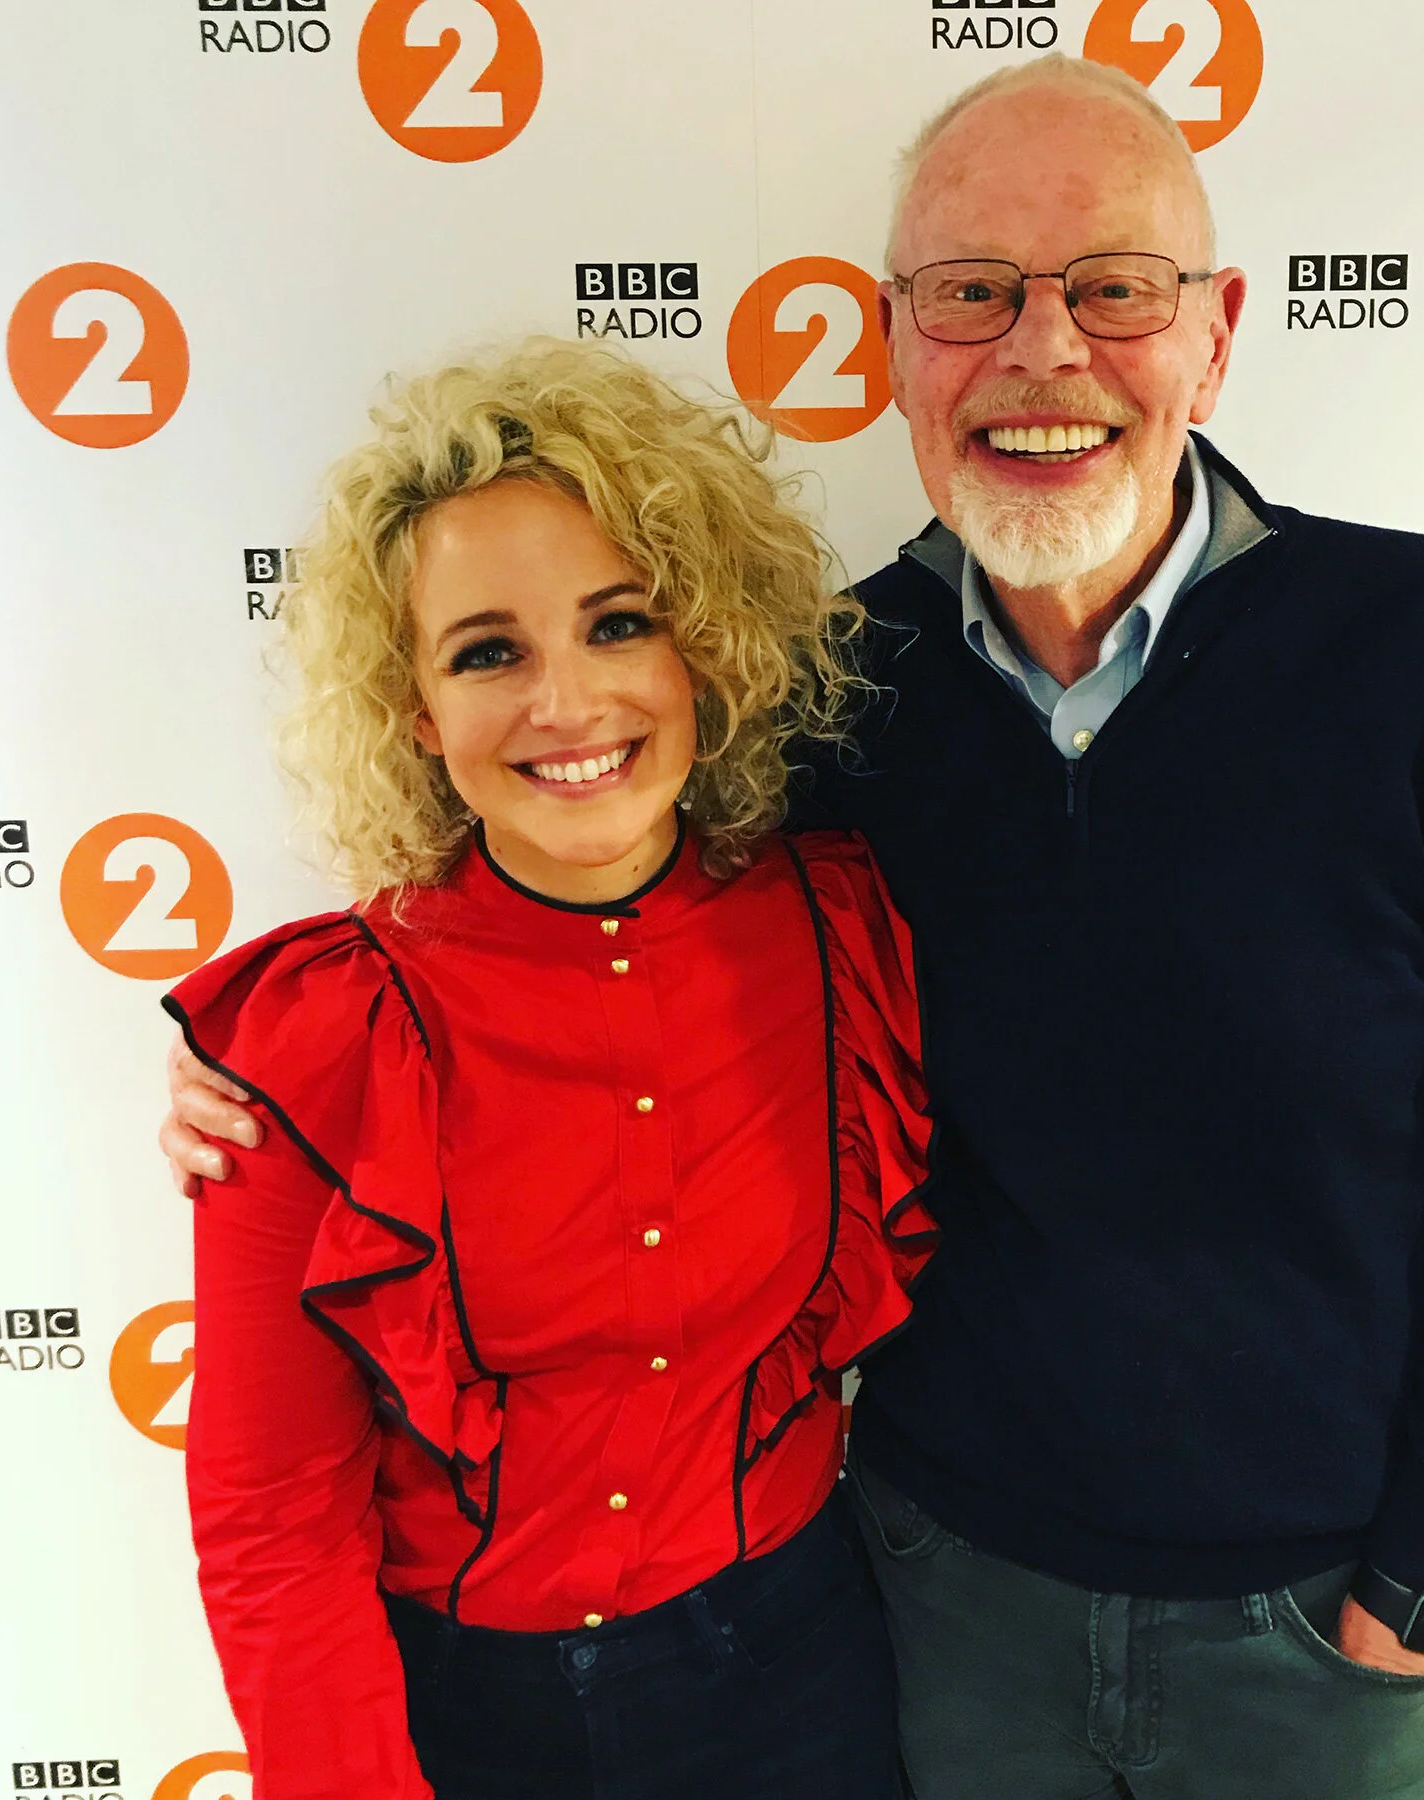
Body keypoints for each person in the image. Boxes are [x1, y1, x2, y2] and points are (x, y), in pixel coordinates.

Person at [165, 56, 1424, 1800]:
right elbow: (585, 881)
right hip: (943, 1618)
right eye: (971, 292)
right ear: (892, 343)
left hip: (1324, 1635)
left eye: (1115, 288)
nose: (1043, 348)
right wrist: (278, 1075)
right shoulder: (833, 700)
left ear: (1216, 333)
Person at [160, 339, 935, 1800]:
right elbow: (274, 1522)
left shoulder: (843, 931)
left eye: (618, 624)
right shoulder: (319, 1036)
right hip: (470, 1718)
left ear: (700, 650)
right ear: (415, 707)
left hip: (804, 1664)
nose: (567, 704)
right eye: (487, 651)